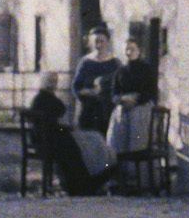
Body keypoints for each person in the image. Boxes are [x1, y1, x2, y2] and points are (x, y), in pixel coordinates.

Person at [27, 71, 111, 197]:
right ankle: (79, 186)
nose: (54, 84)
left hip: (42, 139)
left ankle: (78, 184)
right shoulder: (48, 99)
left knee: (74, 146)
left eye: (55, 81)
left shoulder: (39, 99)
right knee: (73, 148)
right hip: (46, 141)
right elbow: (57, 115)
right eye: (52, 81)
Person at [106, 35, 158, 163]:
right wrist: (123, 99)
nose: (129, 52)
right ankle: (120, 169)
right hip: (124, 107)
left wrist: (136, 100)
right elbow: (113, 94)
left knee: (136, 124)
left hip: (142, 107)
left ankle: (137, 171)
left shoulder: (146, 69)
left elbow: (152, 92)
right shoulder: (120, 71)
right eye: (127, 49)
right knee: (117, 126)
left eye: (132, 49)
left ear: (139, 51)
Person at [69, 26, 118, 133]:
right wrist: (89, 92)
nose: (99, 45)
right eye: (96, 41)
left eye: (102, 41)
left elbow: (120, 86)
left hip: (107, 112)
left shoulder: (115, 63)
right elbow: (76, 87)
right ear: (91, 43)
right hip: (88, 112)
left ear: (108, 42)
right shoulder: (85, 62)